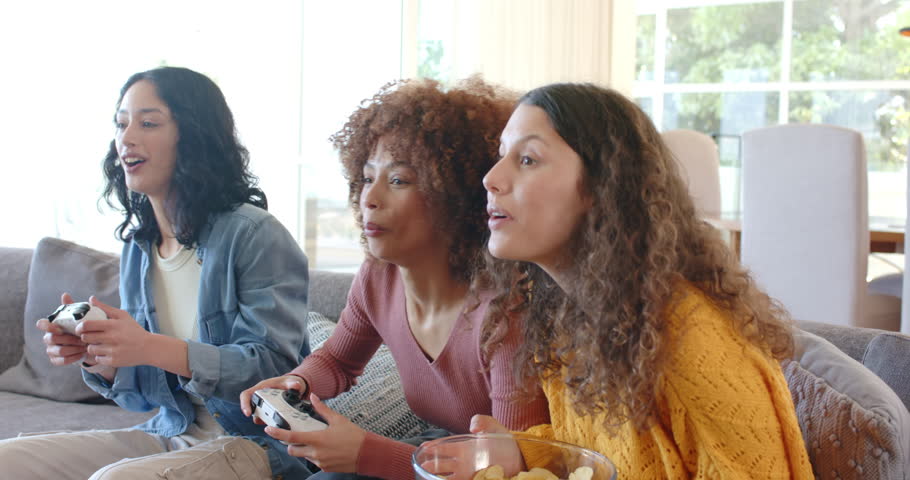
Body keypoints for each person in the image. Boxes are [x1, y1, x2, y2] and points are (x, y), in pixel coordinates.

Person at [473, 83, 814, 479]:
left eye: (528, 159)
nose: (491, 178)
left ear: (603, 188)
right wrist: (519, 452)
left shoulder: (691, 340)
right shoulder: (571, 317)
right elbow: (596, 450)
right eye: (501, 157)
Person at [0, 66, 312, 479]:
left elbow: (273, 373)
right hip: (173, 432)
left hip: (258, 444)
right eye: (121, 123)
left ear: (195, 136)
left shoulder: (254, 234)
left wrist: (148, 345)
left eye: (148, 123)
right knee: (9, 460)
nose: (126, 138)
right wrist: (102, 359)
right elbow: (147, 395)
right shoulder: (138, 248)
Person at [240, 77, 550, 480]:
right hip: (438, 449)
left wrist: (364, 454)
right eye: (368, 177)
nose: (370, 197)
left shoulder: (506, 314)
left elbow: (515, 466)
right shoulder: (378, 277)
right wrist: (297, 382)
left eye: (399, 180)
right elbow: (338, 360)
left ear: (456, 197)